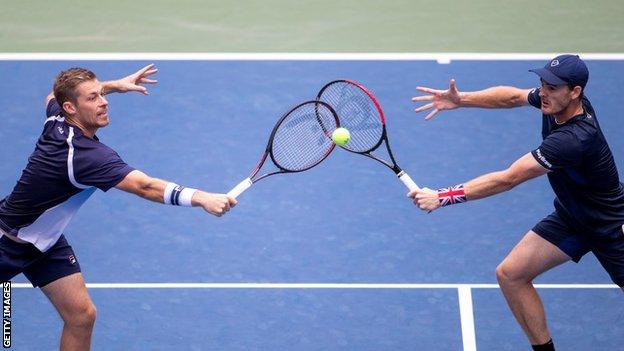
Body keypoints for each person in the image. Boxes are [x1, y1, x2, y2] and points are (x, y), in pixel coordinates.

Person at [0, 65, 237, 350]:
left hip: (46, 242)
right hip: (8, 242)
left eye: (101, 94)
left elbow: (51, 95)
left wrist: (112, 85)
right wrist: (202, 197)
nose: (104, 101)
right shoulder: (87, 157)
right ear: (70, 108)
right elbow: (144, 186)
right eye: (93, 98)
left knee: (81, 316)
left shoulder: (56, 118)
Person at [410, 54, 624, 351]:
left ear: (576, 92)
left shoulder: (573, 139)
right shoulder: (557, 103)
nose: (543, 93)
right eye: (543, 84)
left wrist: (442, 197)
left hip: (611, 227)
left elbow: (508, 179)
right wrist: (462, 100)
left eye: (552, 87)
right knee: (511, 275)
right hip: (573, 217)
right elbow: (511, 97)